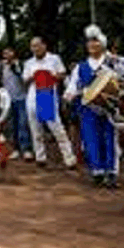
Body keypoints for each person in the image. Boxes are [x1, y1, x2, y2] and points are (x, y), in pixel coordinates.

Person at [64, 25, 124, 188]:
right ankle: (97, 172)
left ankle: (111, 172)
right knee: (90, 138)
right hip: (87, 107)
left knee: (109, 139)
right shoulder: (81, 66)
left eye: (96, 42)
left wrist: (117, 59)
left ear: (103, 44)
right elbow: (72, 85)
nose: (92, 45)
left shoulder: (112, 61)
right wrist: (69, 94)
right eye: (90, 42)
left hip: (109, 107)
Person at [23, 37, 77, 169]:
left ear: (44, 45)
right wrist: (33, 76)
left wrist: (50, 75)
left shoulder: (54, 59)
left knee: (56, 127)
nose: (36, 48)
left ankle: (69, 158)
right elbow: (24, 79)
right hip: (32, 94)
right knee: (35, 128)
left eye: (38, 45)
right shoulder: (29, 63)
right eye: (33, 46)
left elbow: (62, 74)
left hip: (46, 94)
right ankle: (40, 157)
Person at [0, 47, 33, 161]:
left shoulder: (21, 65)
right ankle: (15, 149)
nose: (6, 55)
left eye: (9, 52)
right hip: (8, 100)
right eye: (4, 53)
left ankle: (26, 149)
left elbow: (23, 77)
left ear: (14, 53)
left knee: (23, 124)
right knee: (12, 126)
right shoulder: (2, 67)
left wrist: (15, 66)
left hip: (22, 98)